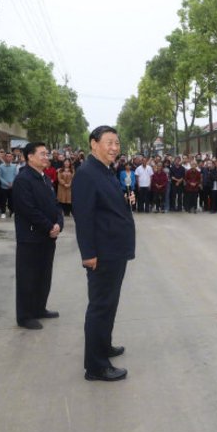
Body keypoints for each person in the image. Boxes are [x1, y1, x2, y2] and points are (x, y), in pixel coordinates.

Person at [72, 126, 135, 382]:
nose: (114, 148)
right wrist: (88, 253)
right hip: (102, 252)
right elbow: (83, 216)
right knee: (100, 306)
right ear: (93, 144)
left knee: (110, 303)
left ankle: (104, 345)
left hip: (114, 249)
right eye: (109, 142)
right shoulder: (87, 173)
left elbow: (105, 206)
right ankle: (96, 366)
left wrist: (125, 201)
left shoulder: (106, 170)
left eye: (117, 143)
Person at [12, 142, 64, 330]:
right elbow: (27, 209)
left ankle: (39, 308)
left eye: (46, 153)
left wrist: (59, 224)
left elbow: (55, 204)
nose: (46, 157)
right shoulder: (23, 180)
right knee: (28, 277)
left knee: (44, 275)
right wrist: (49, 226)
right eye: (42, 154)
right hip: (31, 237)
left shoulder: (45, 178)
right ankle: (25, 316)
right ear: (30, 157)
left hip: (48, 237)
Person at [0, 153, 19, 219]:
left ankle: (12, 211)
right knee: (3, 200)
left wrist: (12, 183)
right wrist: (7, 184)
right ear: (4, 158)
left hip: (12, 186)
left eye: (10, 156)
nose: (8, 158)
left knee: (11, 200)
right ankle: (3, 212)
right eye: (7, 156)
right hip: (3, 187)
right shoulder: (0, 167)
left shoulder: (14, 166)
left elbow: (16, 175)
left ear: (12, 158)